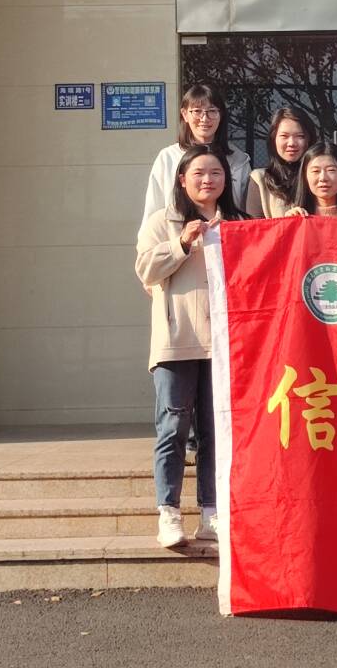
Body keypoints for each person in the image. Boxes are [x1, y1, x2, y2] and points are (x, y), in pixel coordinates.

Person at [134, 144, 248, 549]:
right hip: (176, 341)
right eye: (198, 173)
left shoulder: (238, 223)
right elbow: (145, 270)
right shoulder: (161, 221)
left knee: (216, 431)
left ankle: (210, 512)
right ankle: (168, 511)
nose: (208, 180)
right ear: (182, 180)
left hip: (223, 344)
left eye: (216, 173)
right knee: (173, 428)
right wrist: (181, 243)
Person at [143, 83, 250, 225]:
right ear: (185, 114)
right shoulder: (168, 158)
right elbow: (153, 209)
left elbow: (245, 213)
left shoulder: (239, 160)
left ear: (221, 115)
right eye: (197, 111)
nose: (204, 118)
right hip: (177, 235)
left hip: (226, 234)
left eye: (212, 111)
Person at [245, 106, 316, 218]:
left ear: (309, 140)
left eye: (300, 136)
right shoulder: (259, 179)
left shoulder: (319, 178)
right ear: (273, 139)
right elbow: (255, 226)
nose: (291, 143)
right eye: (284, 136)